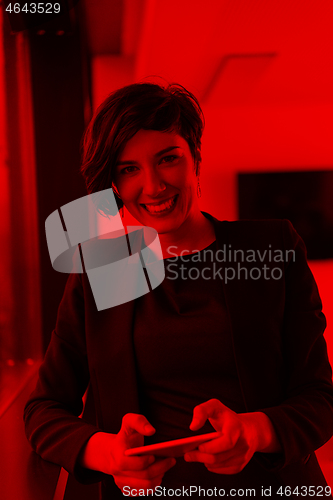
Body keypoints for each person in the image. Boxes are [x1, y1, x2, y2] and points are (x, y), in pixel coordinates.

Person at [24, 82, 333, 499]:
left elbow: (319, 398)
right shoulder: (100, 267)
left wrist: (256, 431)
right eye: (129, 168)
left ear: (195, 159)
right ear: (113, 182)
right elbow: (44, 410)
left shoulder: (272, 246)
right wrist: (107, 453)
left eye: (168, 159)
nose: (153, 187)